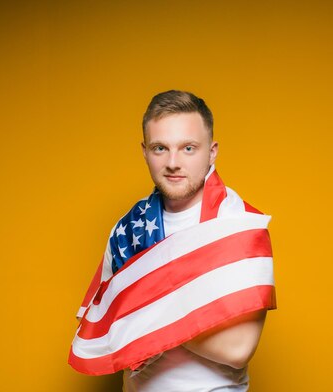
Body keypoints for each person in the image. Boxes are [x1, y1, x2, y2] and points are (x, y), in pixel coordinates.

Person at [69, 90, 276, 391]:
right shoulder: (128, 229)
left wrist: (143, 307)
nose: (173, 163)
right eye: (160, 148)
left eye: (188, 148)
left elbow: (237, 349)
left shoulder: (239, 225)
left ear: (212, 151)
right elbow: (105, 328)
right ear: (144, 151)